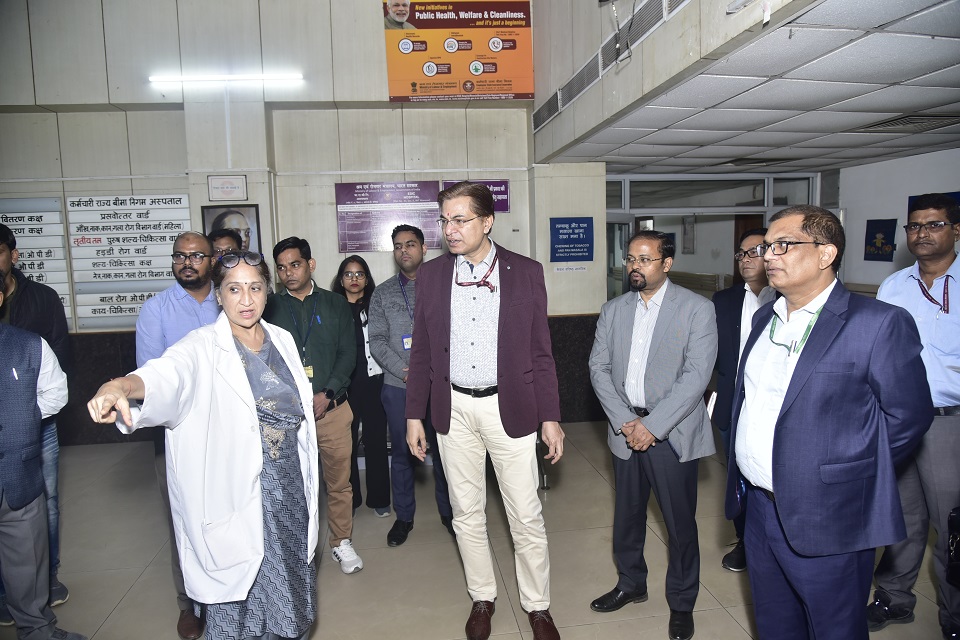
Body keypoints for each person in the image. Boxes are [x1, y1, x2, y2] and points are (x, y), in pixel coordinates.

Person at [724, 205, 933, 640]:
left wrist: (845, 476)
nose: (768, 255)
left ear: (825, 253)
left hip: (828, 513)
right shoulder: (765, 318)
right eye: (767, 246)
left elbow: (908, 417)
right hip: (760, 508)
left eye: (783, 245)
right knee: (776, 624)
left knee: (834, 627)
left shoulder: (877, 323)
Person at [88, 251, 320, 640]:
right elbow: (166, 375)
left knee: (291, 592)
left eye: (255, 288)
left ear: (268, 292)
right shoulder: (201, 346)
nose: (246, 300)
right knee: (239, 600)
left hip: (290, 490)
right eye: (234, 289)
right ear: (218, 294)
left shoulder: (282, 340)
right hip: (235, 492)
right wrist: (120, 387)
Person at [405, 181, 565, 640]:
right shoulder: (433, 276)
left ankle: (537, 606)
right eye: (444, 220)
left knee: (525, 515)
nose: (450, 230)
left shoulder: (526, 272)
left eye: (461, 219)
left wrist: (550, 416)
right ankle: (482, 596)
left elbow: (541, 352)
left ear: (487, 221)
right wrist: (414, 414)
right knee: (466, 512)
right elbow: (422, 352)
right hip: (452, 409)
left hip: (509, 407)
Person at [588, 230, 717, 640]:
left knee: (679, 525)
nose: (634, 267)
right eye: (630, 259)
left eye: (644, 259)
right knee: (627, 517)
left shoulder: (697, 309)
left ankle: (682, 602)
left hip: (670, 434)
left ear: (667, 263)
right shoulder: (613, 310)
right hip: (625, 430)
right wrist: (625, 420)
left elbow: (696, 377)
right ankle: (631, 583)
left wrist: (652, 426)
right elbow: (598, 368)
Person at [867, 193, 960, 640]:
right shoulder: (894, 286)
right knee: (900, 516)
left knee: (950, 524)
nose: (922, 233)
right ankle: (894, 598)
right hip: (898, 419)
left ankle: (954, 614)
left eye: (934, 224)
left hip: (948, 422)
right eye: (915, 226)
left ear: (956, 230)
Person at [135, 231, 219, 640]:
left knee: (229, 514)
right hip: (177, 433)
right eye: (180, 256)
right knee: (182, 520)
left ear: (212, 261)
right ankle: (189, 604)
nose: (187, 262)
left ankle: (230, 596)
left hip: (229, 429)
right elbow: (153, 381)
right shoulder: (157, 310)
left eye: (196, 256)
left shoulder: (230, 300)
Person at [263, 237, 363, 574]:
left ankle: (341, 541)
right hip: (288, 415)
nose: (288, 273)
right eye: (281, 268)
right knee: (293, 485)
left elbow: (348, 354)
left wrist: (327, 393)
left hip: (332, 409)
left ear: (311, 265)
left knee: (339, 482)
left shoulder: (335, 304)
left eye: (295, 265)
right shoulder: (269, 308)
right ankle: (297, 547)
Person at [0, 286, 85, 640]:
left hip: (17, 475)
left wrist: (22, 418)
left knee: (27, 561)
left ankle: (37, 630)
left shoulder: (29, 346)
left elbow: (56, 393)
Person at [0, 224, 71, 623]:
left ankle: (45, 581)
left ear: (13, 254)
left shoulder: (41, 299)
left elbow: (59, 358)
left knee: (43, 503)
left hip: (33, 428)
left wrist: (21, 416)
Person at [368, 225, 453, 547]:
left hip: (440, 386)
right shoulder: (382, 293)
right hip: (398, 386)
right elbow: (376, 340)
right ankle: (404, 517)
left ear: (424, 248)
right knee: (403, 453)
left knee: (445, 453)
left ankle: (450, 514)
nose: (404, 250)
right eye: (398, 246)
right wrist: (406, 372)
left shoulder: (444, 286)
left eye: (411, 244)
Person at [710, 227, 775, 573]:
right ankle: (745, 541)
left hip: (776, 410)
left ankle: (774, 542)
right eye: (741, 253)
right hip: (733, 405)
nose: (746, 259)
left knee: (773, 478)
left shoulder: (789, 299)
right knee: (738, 477)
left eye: (755, 251)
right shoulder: (724, 301)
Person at [331, 255, 391, 519]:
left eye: (359, 274)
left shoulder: (376, 305)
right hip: (346, 384)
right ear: (341, 279)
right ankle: (351, 499)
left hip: (374, 381)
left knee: (376, 441)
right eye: (348, 274)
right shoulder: (333, 307)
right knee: (347, 444)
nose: (354, 279)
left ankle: (379, 499)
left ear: (367, 279)